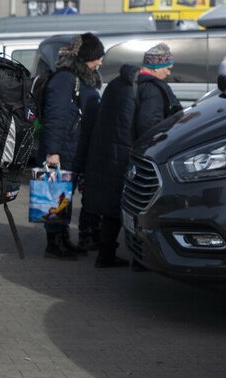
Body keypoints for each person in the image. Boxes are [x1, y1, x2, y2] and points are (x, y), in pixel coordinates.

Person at [83, 43, 182, 268]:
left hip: (110, 154)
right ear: (157, 67)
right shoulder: (153, 89)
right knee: (137, 207)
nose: (169, 72)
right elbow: (150, 127)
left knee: (111, 207)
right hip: (131, 158)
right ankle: (140, 259)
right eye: (167, 66)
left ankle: (105, 255)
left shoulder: (119, 82)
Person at [39, 33, 104, 260]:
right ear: (86, 57)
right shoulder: (65, 79)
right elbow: (55, 117)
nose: (100, 62)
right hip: (62, 150)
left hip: (74, 149)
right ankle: (54, 244)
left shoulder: (82, 78)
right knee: (56, 197)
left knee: (63, 197)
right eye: (97, 57)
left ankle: (63, 240)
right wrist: (52, 152)